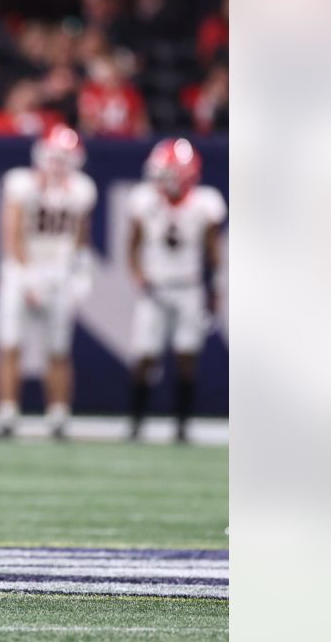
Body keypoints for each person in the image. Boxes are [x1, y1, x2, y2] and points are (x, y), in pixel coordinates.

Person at [0, 125, 96, 439]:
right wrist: (27, 274)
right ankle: (7, 413)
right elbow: (11, 233)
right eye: (54, 156)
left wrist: (81, 271)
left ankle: (58, 415)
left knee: (59, 348)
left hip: (59, 274)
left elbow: (80, 237)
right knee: (10, 343)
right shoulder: (21, 183)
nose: (58, 164)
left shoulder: (81, 189)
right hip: (20, 271)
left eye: (64, 157)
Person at [126, 138, 226, 443]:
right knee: (145, 355)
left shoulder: (205, 203)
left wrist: (217, 286)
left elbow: (213, 251)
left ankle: (181, 424)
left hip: (188, 286)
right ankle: (137, 423)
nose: (166, 178)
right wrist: (139, 275)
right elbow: (133, 245)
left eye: (171, 172)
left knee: (186, 356)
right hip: (155, 288)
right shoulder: (144, 200)